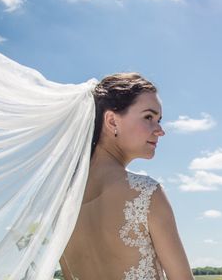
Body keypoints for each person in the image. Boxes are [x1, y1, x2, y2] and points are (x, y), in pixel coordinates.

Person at [60, 73, 194, 280]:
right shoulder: (146, 194)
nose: (160, 130)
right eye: (148, 117)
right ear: (112, 121)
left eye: (159, 120)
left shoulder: (61, 203)